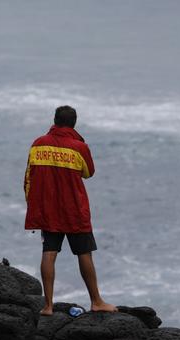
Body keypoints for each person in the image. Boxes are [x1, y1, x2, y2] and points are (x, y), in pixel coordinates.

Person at [24, 105, 117, 315]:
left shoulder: (38, 144)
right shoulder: (78, 147)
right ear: (74, 123)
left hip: (48, 209)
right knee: (84, 253)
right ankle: (96, 301)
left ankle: (47, 305)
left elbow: (28, 177)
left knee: (49, 252)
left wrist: (33, 207)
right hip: (74, 209)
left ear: (55, 121)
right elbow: (88, 173)